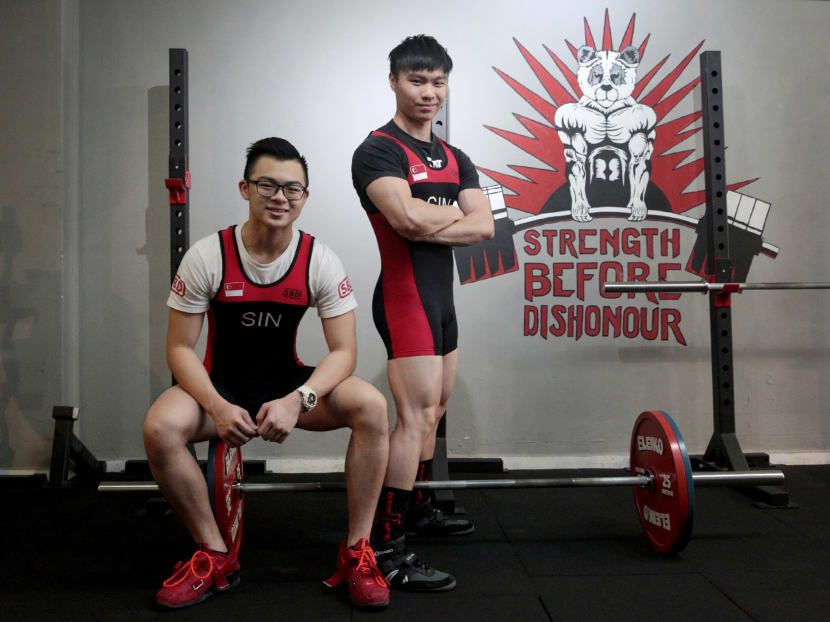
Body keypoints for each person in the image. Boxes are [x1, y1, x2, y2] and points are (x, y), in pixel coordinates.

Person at [144, 137, 390, 610]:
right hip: (219, 387)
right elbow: (178, 349)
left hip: (286, 386)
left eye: (292, 189)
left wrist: (299, 400)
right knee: (159, 428)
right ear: (245, 188)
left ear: (305, 197)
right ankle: (214, 554)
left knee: (372, 407)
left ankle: (358, 551)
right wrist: (215, 405)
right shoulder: (207, 255)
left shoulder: (319, 258)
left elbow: (344, 353)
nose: (280, 198)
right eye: (268, 186)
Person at [351, 35, 495, 591]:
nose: (428, 92)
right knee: (413, 419)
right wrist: (441, 214)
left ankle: (415, 510)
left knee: (433, 411)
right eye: (416, 81)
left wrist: (422, 211)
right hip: (406, 296)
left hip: (443, 302)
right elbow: (405, 225)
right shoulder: (378, 151)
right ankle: (386, 546)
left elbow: (482, 226)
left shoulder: (456, 157)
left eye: (437, 81)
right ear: (393, 82)